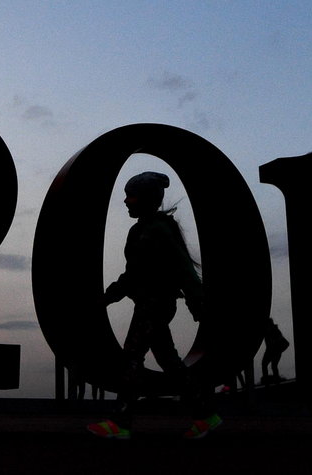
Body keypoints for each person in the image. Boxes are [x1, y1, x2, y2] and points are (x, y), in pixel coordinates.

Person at [87, 171, 218, 440]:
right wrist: (109, 297)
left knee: (132, 357)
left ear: (146, 199)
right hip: (150, 303)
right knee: (169, 361)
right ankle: (205, 416)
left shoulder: (156, 229)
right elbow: (132, 274)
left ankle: (121, 422)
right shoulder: (143, 229)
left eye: (131, 196)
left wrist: (197, 301)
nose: (125, 201)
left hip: (155, 304)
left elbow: (182, 267)